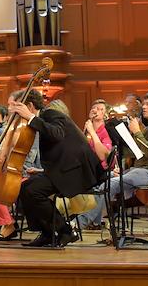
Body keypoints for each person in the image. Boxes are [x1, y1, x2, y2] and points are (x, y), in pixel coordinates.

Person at [7, 89, 102, 248]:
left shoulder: (51, 114)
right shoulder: (43, 118)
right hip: (64, 168)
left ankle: (65, 230)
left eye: (16, 107)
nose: (13, 111)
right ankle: (47, 233)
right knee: (24, 187)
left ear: (29, 106)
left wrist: (30, 118)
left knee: (33, 191)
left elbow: (57, 134)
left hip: (76, 171)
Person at [75, 99, 115, 229]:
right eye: (94, 108)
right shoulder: (87, 130)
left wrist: (92, 132)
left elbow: (102, 155)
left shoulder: (106, 131)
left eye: (100, 109)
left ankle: (81, 221)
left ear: (106, 115)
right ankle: (92, 220)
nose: (96, 110)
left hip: (102, 171)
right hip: (88, 169)